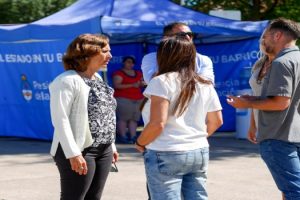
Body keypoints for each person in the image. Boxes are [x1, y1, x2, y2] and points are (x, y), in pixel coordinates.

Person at [135, 36, 223, 200]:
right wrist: (194, 137)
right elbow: (216, 121)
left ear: (163, 56)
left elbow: (157, 123)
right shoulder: (204, 83)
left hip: (166, 151)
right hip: (199, 150)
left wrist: (140, 142)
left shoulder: (161, 81)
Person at [227, 18, 300, 200]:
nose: (263, 40)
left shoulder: (281, 63)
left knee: (294, 191)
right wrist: (252, 101)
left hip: (279, 136)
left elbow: (280, 102)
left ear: (277, 35)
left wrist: (246, 103)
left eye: (265, 36)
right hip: (293, 135)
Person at [49, 33, 119, 200]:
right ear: (88, 53)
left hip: (104, 149)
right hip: (80, 150)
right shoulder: (66, 80)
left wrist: (112, 145)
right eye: (105, 51)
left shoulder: (98, 78)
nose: (110, 56)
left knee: (94, 198)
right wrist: (73, 153)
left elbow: (106, 114)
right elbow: (61, 119)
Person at [141, 22, 214, 84]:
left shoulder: (203, 59)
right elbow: (151, 82)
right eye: (182, 35)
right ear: (166, 38)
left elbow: (207, 84)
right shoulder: (151, 58)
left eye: (190, 34)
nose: (188, 38)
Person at [112, 56, 145, 143]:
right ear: (123, 62)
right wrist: (132, 85)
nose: (130, 64)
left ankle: (133, 137)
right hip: (123, 99)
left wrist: (142, 84)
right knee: (123, 119)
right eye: (128, 62)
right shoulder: (119, 73)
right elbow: (116, 85)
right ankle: (123, 137)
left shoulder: (138, 73)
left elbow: (142, 83)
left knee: (134, 119)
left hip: (138, 99)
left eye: (132, 62)